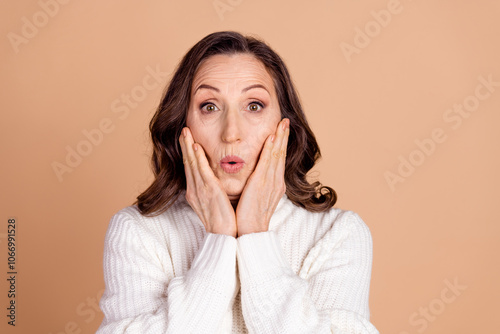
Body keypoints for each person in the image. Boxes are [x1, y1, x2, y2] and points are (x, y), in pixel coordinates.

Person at [96, 31, 380, 334]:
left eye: (254, 106)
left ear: (285, 127)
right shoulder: (137, 232)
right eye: (209, 106)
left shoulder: (337, 234)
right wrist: (218, 239)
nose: (231, 132)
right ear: (182, 127)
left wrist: (255, 235)